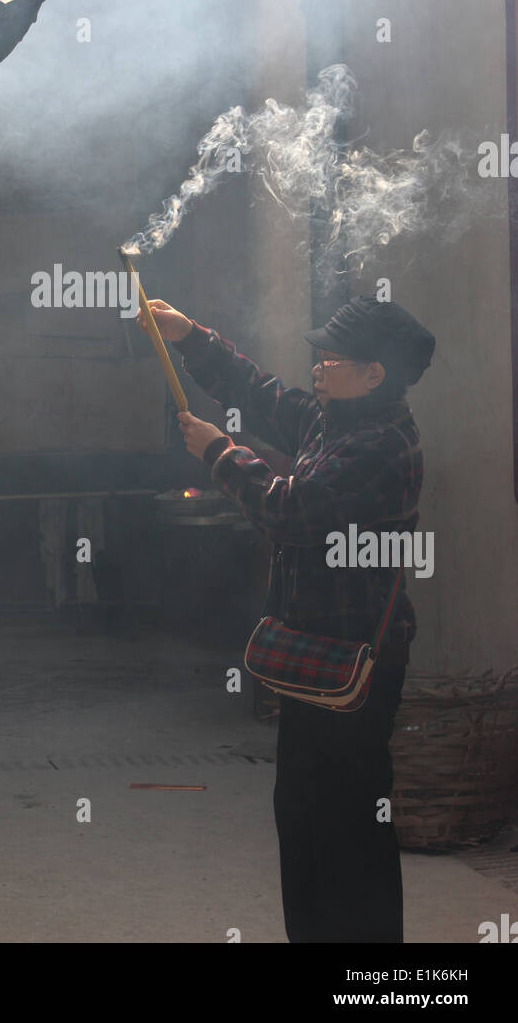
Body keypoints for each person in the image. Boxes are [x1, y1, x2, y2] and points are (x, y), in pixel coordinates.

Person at [137, 294, 435, 944]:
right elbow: (261, 390)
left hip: (358, 662)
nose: (318, 369)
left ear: (375, 374)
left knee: (351, 828)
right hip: (317, 657)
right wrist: (188, 335)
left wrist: (219, 454)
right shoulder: (335, 420)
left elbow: (290, 513)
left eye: (331, 359)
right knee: (301, 817)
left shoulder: (383, 445)